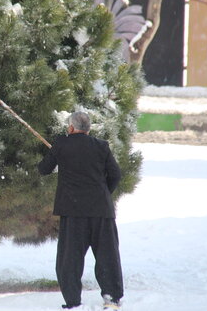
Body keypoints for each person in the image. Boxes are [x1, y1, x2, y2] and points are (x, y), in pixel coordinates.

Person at [38, 111, 123, 310]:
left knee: (70, 258)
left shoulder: (62, 144)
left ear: (70, 127)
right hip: (101, 211)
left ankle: (73, 301)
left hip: (73, 212)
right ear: (88, 129)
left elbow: (44, 169)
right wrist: (102, 194)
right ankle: (112, 299)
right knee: (107, 256)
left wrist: (56, 153)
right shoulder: (101, 146)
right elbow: (116, 175)